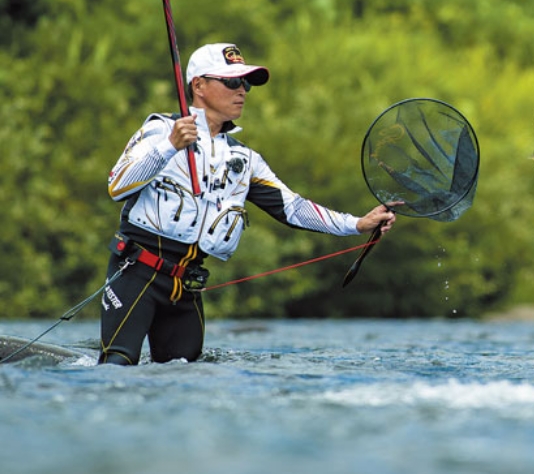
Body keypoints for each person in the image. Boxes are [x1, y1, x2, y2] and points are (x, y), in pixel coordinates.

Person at [99, 43, 396, 365]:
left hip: (186, 285)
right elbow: (117, 186)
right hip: (135, 273)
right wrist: (169, 146)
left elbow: (293, 208)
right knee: (117, 365)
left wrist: (357, 224)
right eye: (232, 82)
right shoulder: (160, 130)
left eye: (246, 84)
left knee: (185, 376)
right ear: (198, 85)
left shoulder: (244, 159)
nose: (242, 91)